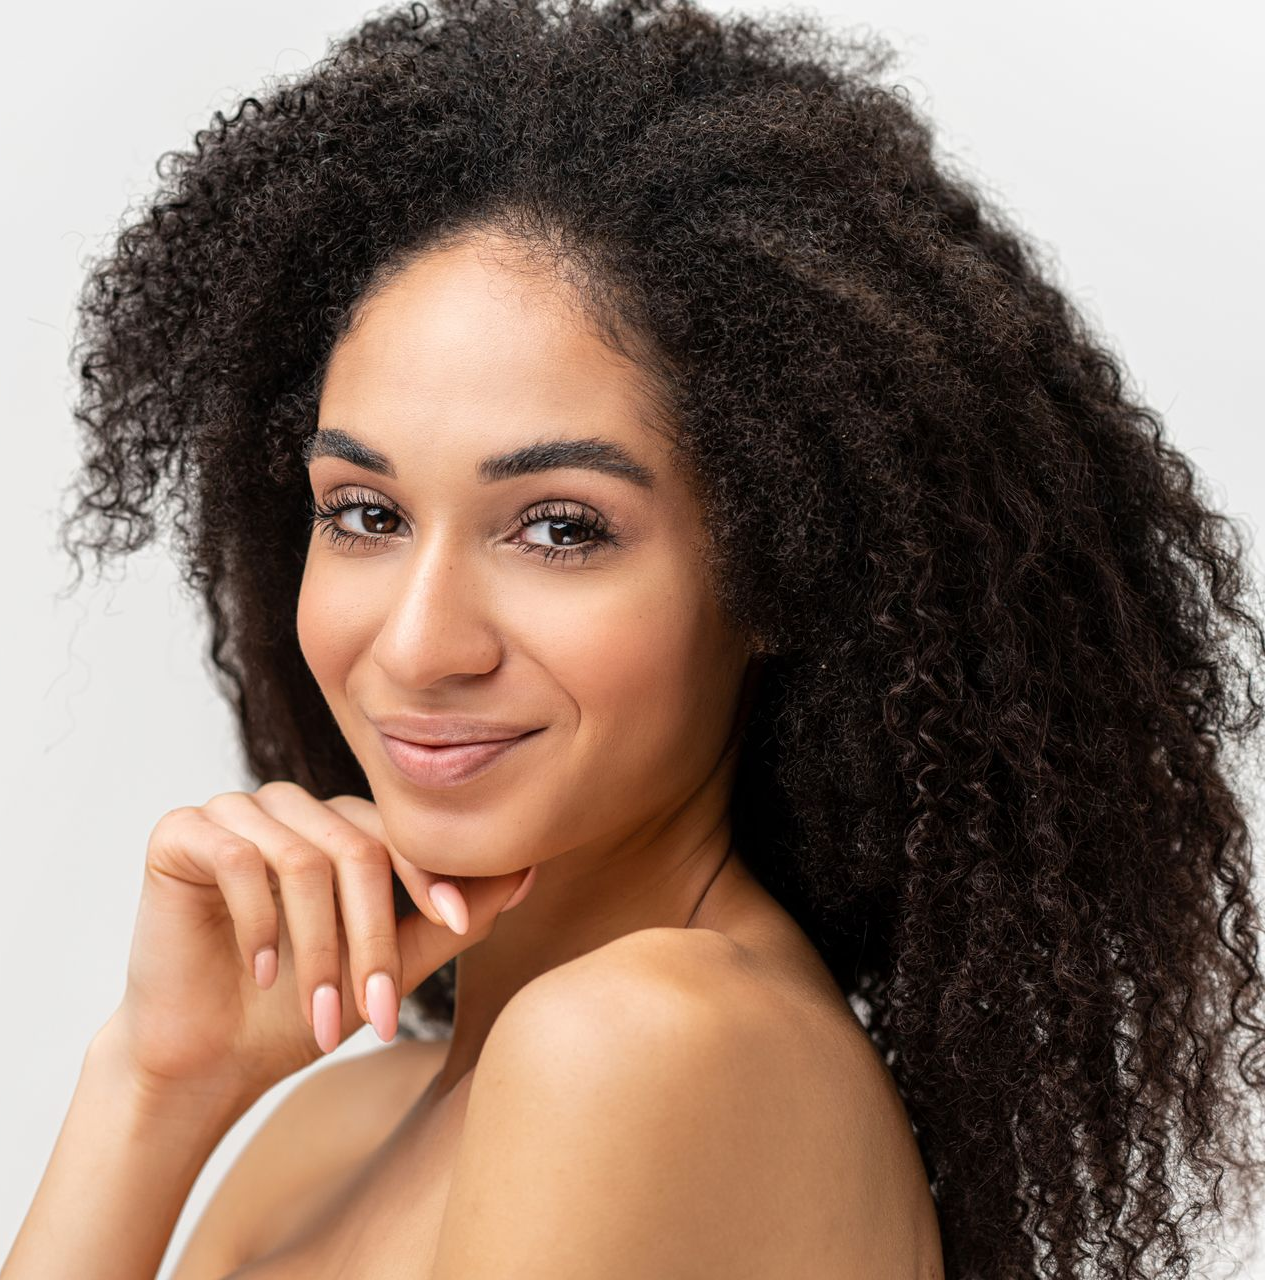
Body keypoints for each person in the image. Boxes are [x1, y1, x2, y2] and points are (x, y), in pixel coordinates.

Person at [5, 0, 1265, 1275]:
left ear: (777, 566)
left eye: (558, 528)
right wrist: (153, 1084)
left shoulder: (643, 1046)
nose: (419, 642)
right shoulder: (335, 1124)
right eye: (367, 512)